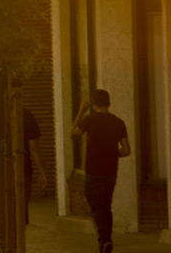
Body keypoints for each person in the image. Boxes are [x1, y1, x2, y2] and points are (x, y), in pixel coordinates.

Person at [0, 81, 48, 224]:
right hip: (22, 166)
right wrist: (42, 172)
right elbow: (33, 146)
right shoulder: (26, 115)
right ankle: (17, 233)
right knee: (21, 206)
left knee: (1, 205)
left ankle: (4, 231)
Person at [71, 89, 130, 253]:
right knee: (106, 206)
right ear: (108, 102)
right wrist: (111, 153)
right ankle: (106, 241)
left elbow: (73, 135)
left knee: (96, 207)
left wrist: (80, 112)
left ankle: (105, 240)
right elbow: (126, 150)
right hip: (111, 171)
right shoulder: (119, 122)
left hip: (93, 171)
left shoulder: (89, 120)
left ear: (94, 103)